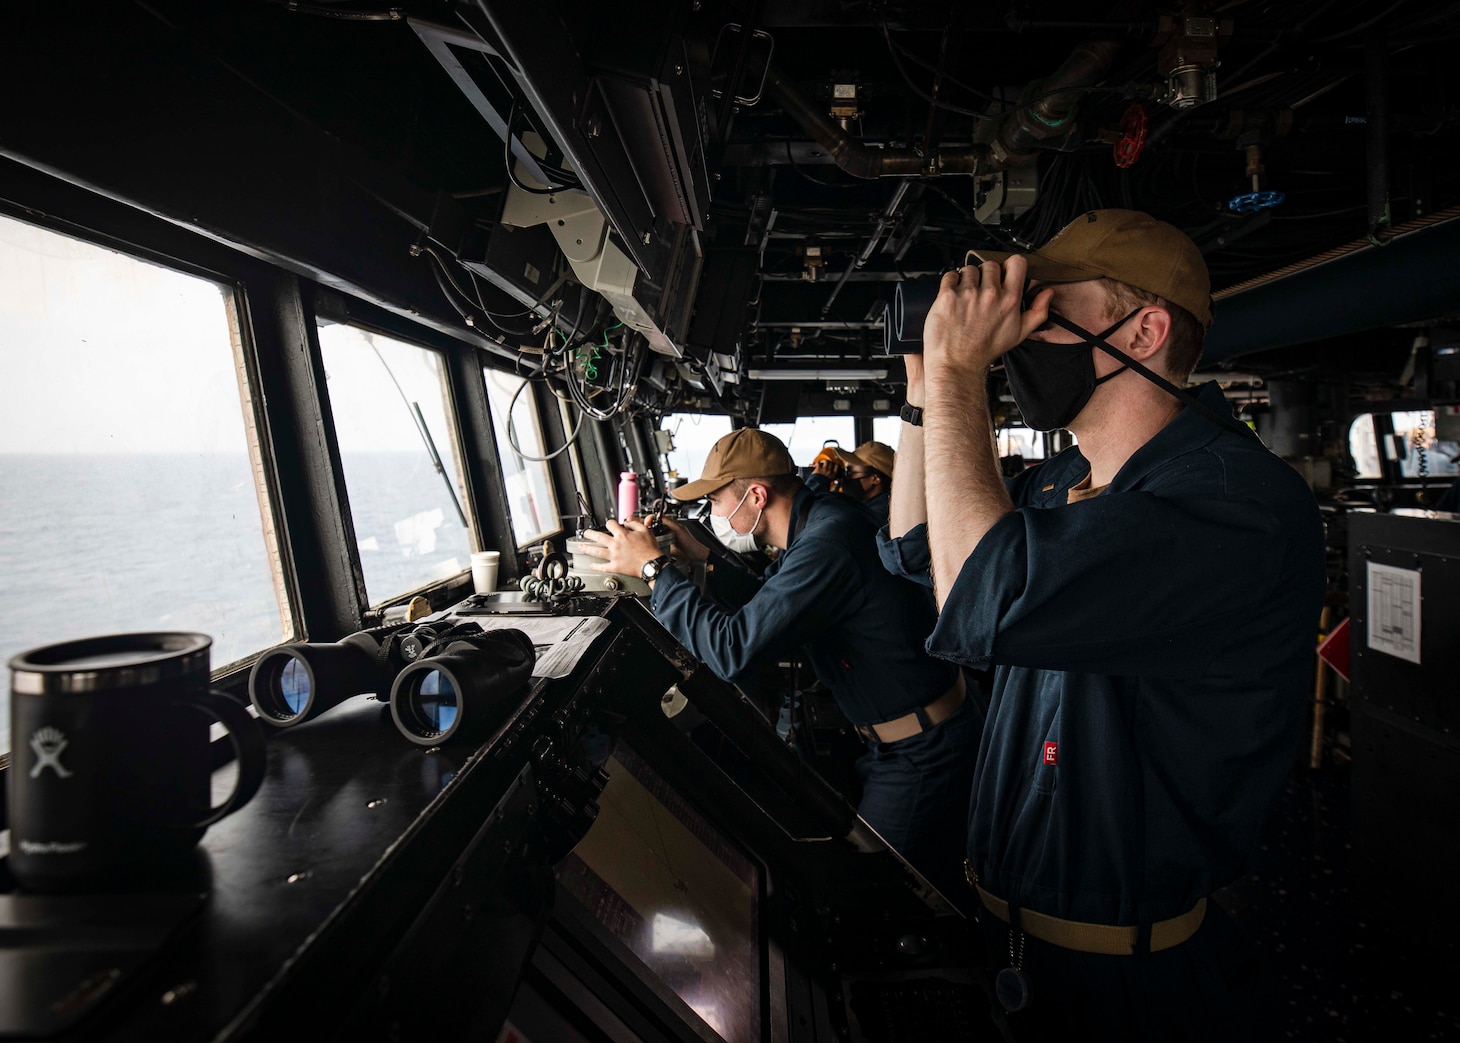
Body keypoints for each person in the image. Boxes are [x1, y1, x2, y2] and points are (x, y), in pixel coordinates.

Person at [881, 209, 1326, 1039]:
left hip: (1130, 980)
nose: (1020, 329)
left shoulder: (1234, 504)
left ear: (1146, 329)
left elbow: (981, 590)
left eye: (1046, 306)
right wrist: (923, 391)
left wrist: (956, 375)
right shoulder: (1068, 480)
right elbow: (922, 554)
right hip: (1016, 943)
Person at [576, 428, 981, 904]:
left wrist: (654, 570)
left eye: (717, 501)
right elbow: (766, 601)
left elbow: (732, 650)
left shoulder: (827, 543)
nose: (716, 513)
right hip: (900, 740)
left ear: (756, 495)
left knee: (883, 894)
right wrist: (703, 553)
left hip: (923, 753)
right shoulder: (820, 523)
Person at [809, 439, 897, 527]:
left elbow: (807, 512)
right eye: (846, 471)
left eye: (850, 472)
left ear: (875, 479)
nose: (846, 478)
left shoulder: (880, 513)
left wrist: (818, 480)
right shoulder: (870, 505)